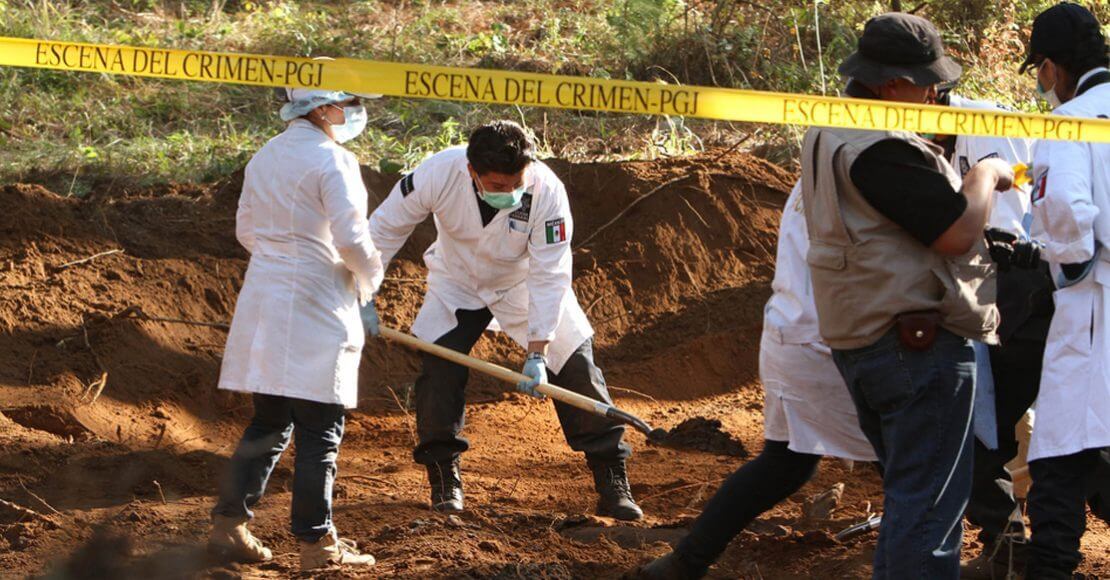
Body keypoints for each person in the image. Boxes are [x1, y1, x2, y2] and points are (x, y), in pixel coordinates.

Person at [801, 13, 1014, 578]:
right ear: (889, 83)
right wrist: (987, 175)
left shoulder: (827, 127)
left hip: (863, 337)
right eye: (925, 82)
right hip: (914, 345)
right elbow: (956, 232)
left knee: (910, 501)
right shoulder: (881, 146)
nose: (935, 93)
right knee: (929, 518)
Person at [368, 120, 642, 521]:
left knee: (576, 365)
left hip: (524, 283)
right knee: (439, 371)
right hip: (457, 281)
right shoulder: (436, 173)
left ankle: (611, 476)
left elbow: (550, 272)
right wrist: (361, 291)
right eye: (497, 186)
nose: (509, 193)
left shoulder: (547, 191)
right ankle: (444, 476)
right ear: (471, 172)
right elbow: (383, 230)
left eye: (516, 183)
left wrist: (538, 350)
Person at [631, 180, 877, 579]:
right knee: (909, 462)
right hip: (837, 340)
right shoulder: (872, 162)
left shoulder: (824, 162)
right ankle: (982, 545)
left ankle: (683, 564)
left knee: (786, 465)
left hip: (797, 329)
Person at [207, 87, 383, 571]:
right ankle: (318, 546)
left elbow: (246, 229)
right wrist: (370, 283)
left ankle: (228, 526)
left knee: (269, 421)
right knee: (320, 431)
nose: (353, 114)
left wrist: (281, 256)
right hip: (316, 297)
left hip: (266, 296)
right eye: (347, 104)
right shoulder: (334, 160)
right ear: (322, 108)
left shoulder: (264, 157)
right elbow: (351, 237)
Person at [927, 85, 1055, 578]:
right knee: (985, 424)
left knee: (977, 422)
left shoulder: (989, 129)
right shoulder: (900, 132)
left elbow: (1005, 225)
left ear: (933, 93)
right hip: (984, 293)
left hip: (1020, 289)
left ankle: (1013, 543)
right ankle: (1007, 539)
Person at [1019, 4, 1110, 577]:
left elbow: (1068, 219)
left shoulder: (1070, 121)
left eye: (1040, 69)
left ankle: (1050, 567)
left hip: (1096, 305)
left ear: (1051, 67)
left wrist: (1068, 277)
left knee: (1058, 451)